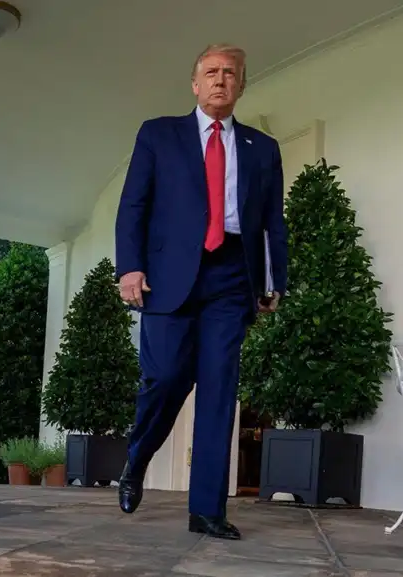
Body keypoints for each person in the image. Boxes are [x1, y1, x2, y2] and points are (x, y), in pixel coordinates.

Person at [114, 43, 288, 540]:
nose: (220, 80)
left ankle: (207, 510)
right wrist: (130, 268)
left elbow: (272, 221)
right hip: (169, 274)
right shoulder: (158, 134)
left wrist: (274, 279)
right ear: (194, 84)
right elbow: (134, 205)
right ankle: (137, 459)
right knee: (166, 376)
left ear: (241, 85)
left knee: (218, 388)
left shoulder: (262, 148)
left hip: (232, 274)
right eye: (211, 72)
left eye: (230, 73)